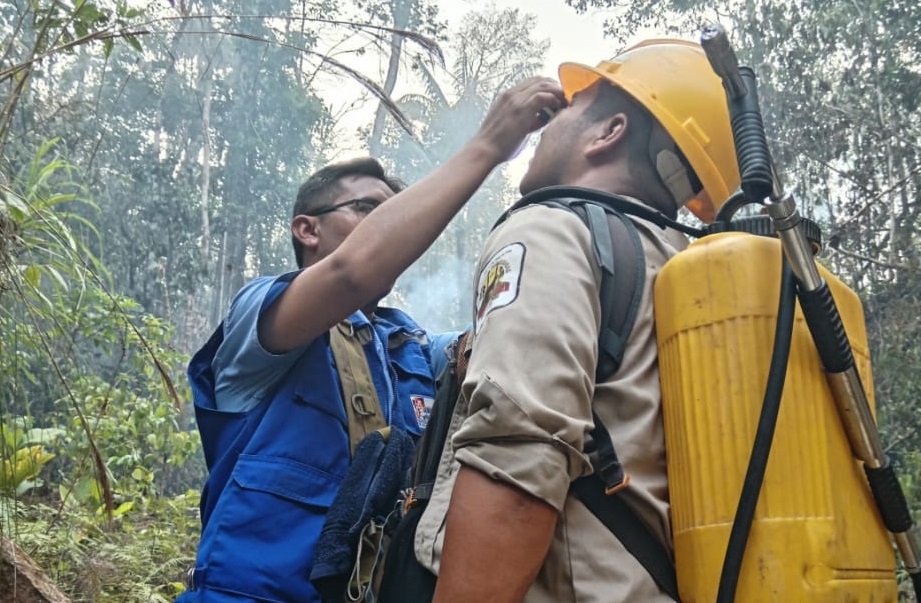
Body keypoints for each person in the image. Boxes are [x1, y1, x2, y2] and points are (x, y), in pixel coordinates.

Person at [177, 76, 567, 603]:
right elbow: (350, 275)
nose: (390, 224)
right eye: (368, 209)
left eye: (393, 213)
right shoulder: (261, 321)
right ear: (307, 230)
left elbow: (510, 336)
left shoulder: (414, 349)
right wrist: (490, 146)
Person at [409, 40, 741, 602]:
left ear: (608, 132)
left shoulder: (553, 231)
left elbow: (517, 458)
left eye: (570, 106)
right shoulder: (689, 274)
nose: (546, 126)